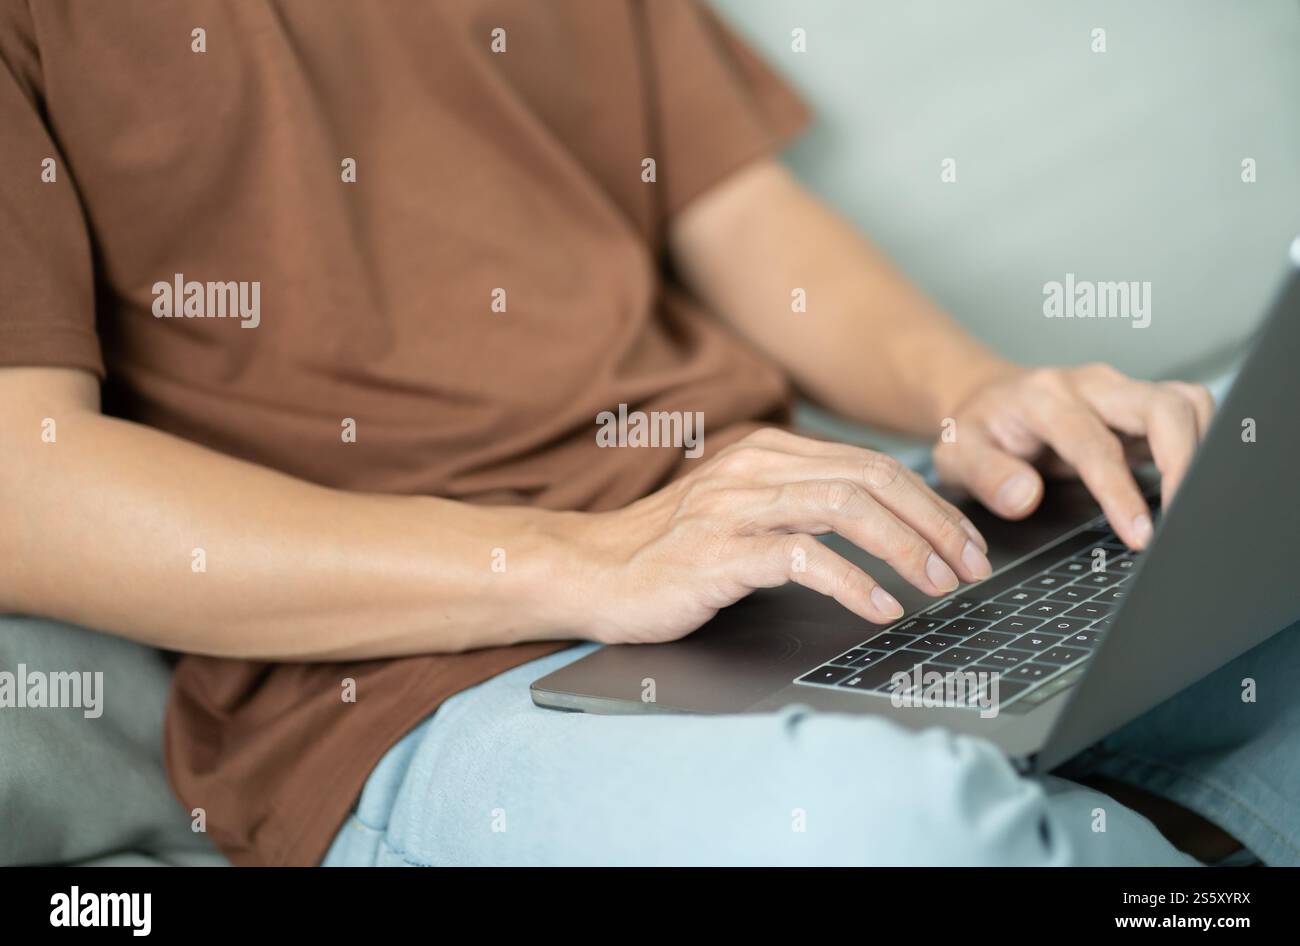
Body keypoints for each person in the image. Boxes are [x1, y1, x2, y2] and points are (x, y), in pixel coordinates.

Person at [1, 0, 1292, 866]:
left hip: (828, 539)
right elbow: (25, 487)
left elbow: (732, 216)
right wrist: (583, 559)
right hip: (437, 681)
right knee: (888, 835)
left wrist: (978, 393)